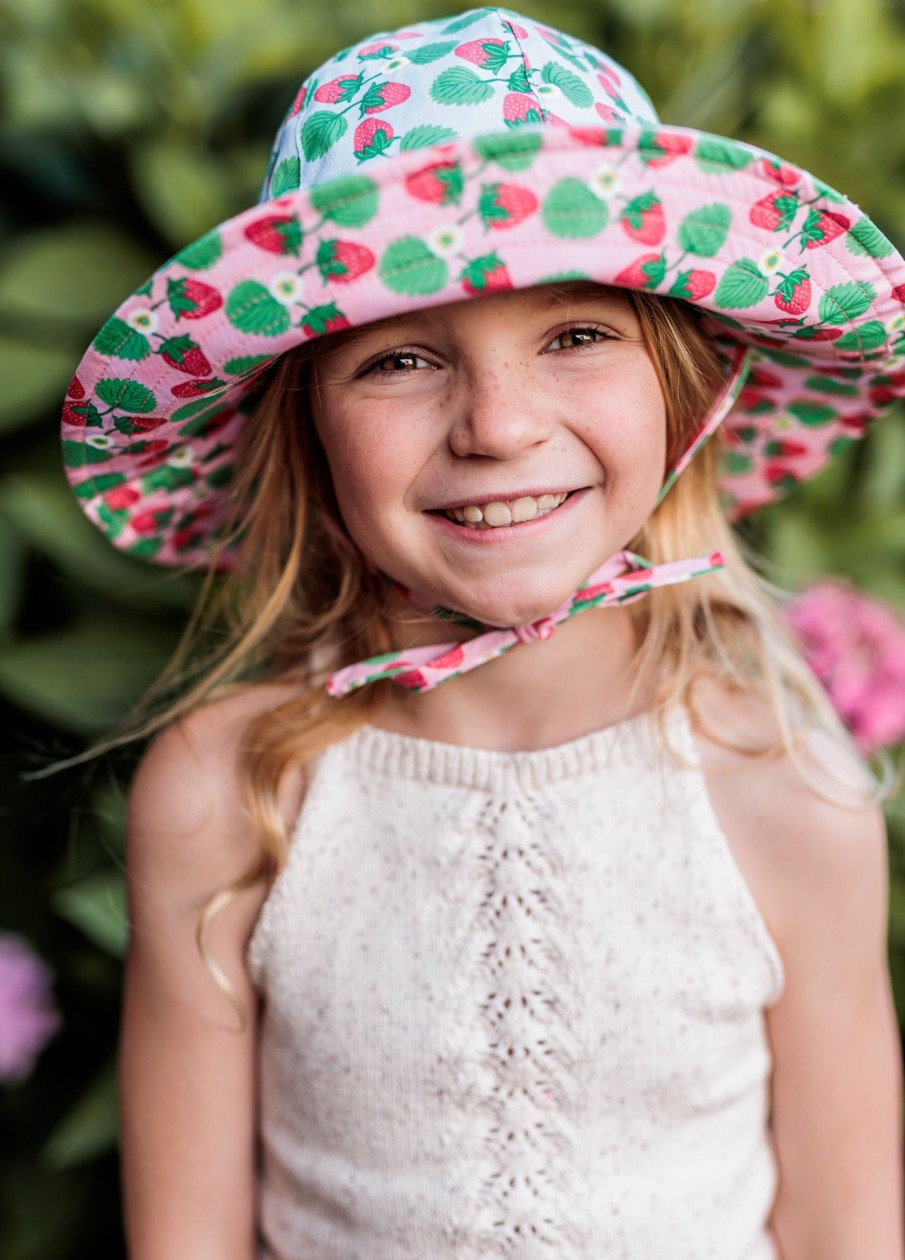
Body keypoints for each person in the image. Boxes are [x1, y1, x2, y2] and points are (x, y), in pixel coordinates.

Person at [60, 8, 905, 1258]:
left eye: (575, 335)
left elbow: (845, 1232)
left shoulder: (783, 791)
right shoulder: (231, 793)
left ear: (683, 388)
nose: (497, 427)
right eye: (400, 360)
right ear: (305, 431)